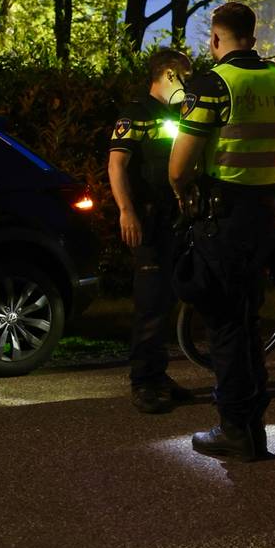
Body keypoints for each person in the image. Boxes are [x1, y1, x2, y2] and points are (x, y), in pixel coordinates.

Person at [169, 1, 275, 462]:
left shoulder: (212, 84)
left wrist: (181, 193)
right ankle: (253, 426)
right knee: (246, 319)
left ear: (216, 39)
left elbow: (180, 166)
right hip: (266, 214)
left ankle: (235, 429)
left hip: (225, 216)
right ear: (253, 36)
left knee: (224, 323)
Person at [108, 48, 195, 413]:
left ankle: (157, 374)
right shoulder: (136, 114)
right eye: (184, 77)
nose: (188, 85)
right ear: (168, 74)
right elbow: (117, 165)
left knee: (166, 300)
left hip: (174, 220)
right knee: (149, 302)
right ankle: (143, 382)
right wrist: (127, 211)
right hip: (147, 219)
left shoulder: (178, 114)